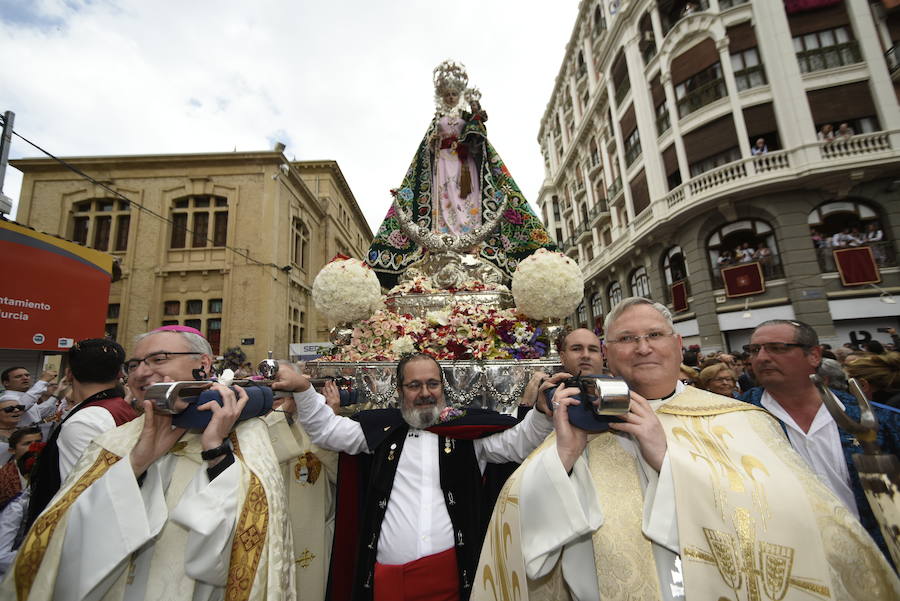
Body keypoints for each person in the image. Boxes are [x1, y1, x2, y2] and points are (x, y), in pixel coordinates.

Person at [474, 298, 899, 601]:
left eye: (654, 335)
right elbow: (516, 519)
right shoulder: (582, 423)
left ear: (678, 344)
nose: (642, 347)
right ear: (607, 354)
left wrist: (667, 460)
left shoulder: (739, 419)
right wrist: (561, 458)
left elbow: (798, 521)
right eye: (626, 339)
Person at [3, 325, 292, 601]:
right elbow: (67, 546)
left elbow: (234, 551)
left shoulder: (247, 436)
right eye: (133, 364)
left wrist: (215, 449)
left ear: (203, 363)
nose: (142, 372)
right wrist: (136, 465)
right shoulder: (113, 442)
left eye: (158, 359)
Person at [273, 352, 554, 601]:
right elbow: (326, 429)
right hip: (387, 579)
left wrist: (541, 410)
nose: (425, 393)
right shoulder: (380, 430)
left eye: (433, 384)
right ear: (399, 391)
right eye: (414, 385)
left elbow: (520, 442)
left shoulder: (468, 434)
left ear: (443, 388)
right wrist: (303, 389)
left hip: (452, 578)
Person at [366, 60, 555, 289]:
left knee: (466, 200)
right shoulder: (437, 119)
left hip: (465, 166)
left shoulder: (467, 114)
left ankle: (468, 237)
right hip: (443, 165)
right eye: (447, 94)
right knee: (445, 200)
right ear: (441, 95)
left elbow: (480, 135)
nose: (450, 97)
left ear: (459, 94)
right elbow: (428, 146)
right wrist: (435, 142)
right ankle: (444, 234)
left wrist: (475, 118)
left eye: (454, 93)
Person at [740, 319, 900, 564]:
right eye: (754, 350)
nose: (761, 357)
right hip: (791, 563)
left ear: (813, 355)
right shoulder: (734, 420)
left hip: (877, 559)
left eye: (777, 348)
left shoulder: (877, 419)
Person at [24, 338, 138, 534]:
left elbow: (82, 497)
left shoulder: (84, 421)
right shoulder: (119, 407)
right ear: (120, 373)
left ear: (69, 373)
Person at [0, 428, 41, 510]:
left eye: (38, 442)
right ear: (12, 450)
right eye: (27, 443)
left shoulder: (50, 468)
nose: (34, 447)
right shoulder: (3, 476)